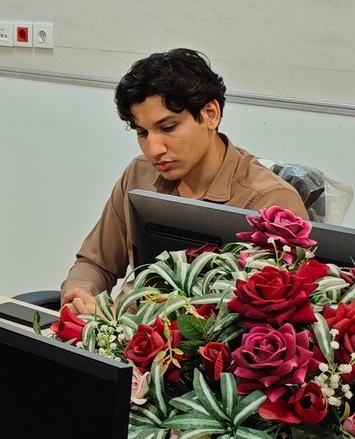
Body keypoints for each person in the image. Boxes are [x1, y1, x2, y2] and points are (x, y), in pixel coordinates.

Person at [60, 49, 304, 315]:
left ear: (210, 114)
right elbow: (96, 263)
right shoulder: (139, 174)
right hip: (122, 330)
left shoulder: (270, 200)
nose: (154, 149)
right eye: (142, 132)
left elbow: (278, 315)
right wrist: (80, 293)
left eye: (168, 128)